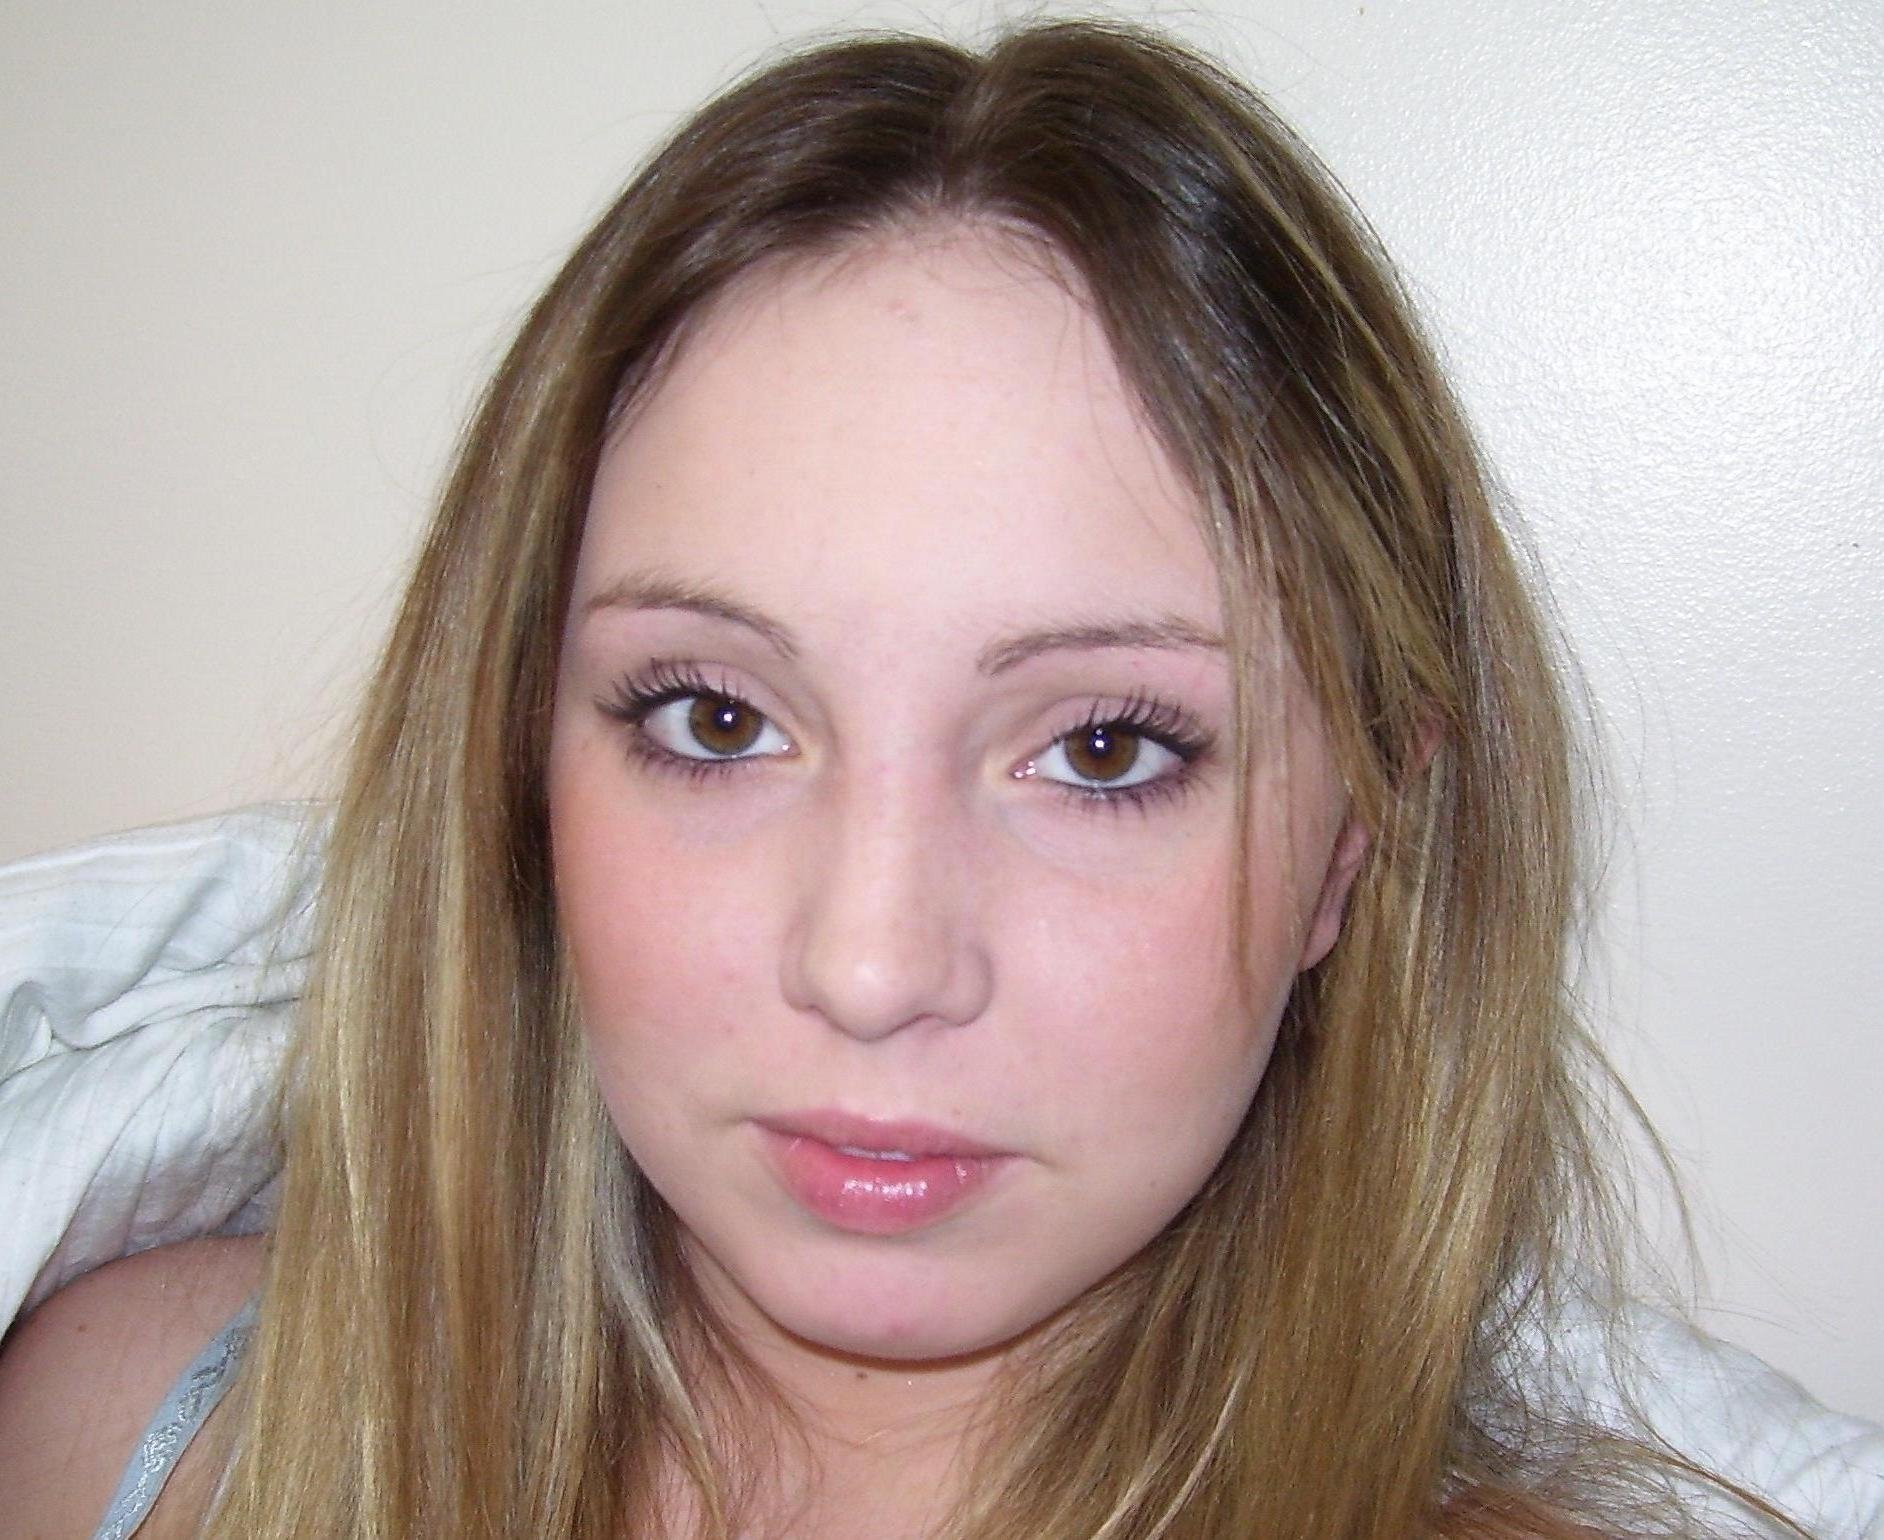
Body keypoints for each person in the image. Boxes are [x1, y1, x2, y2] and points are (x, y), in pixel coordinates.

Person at [0, 18, 1876, 1540]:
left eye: (1103, 750)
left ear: (1351, 845)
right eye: (714, 720)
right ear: (518, 770)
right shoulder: (146, 1449)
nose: (874, 965)